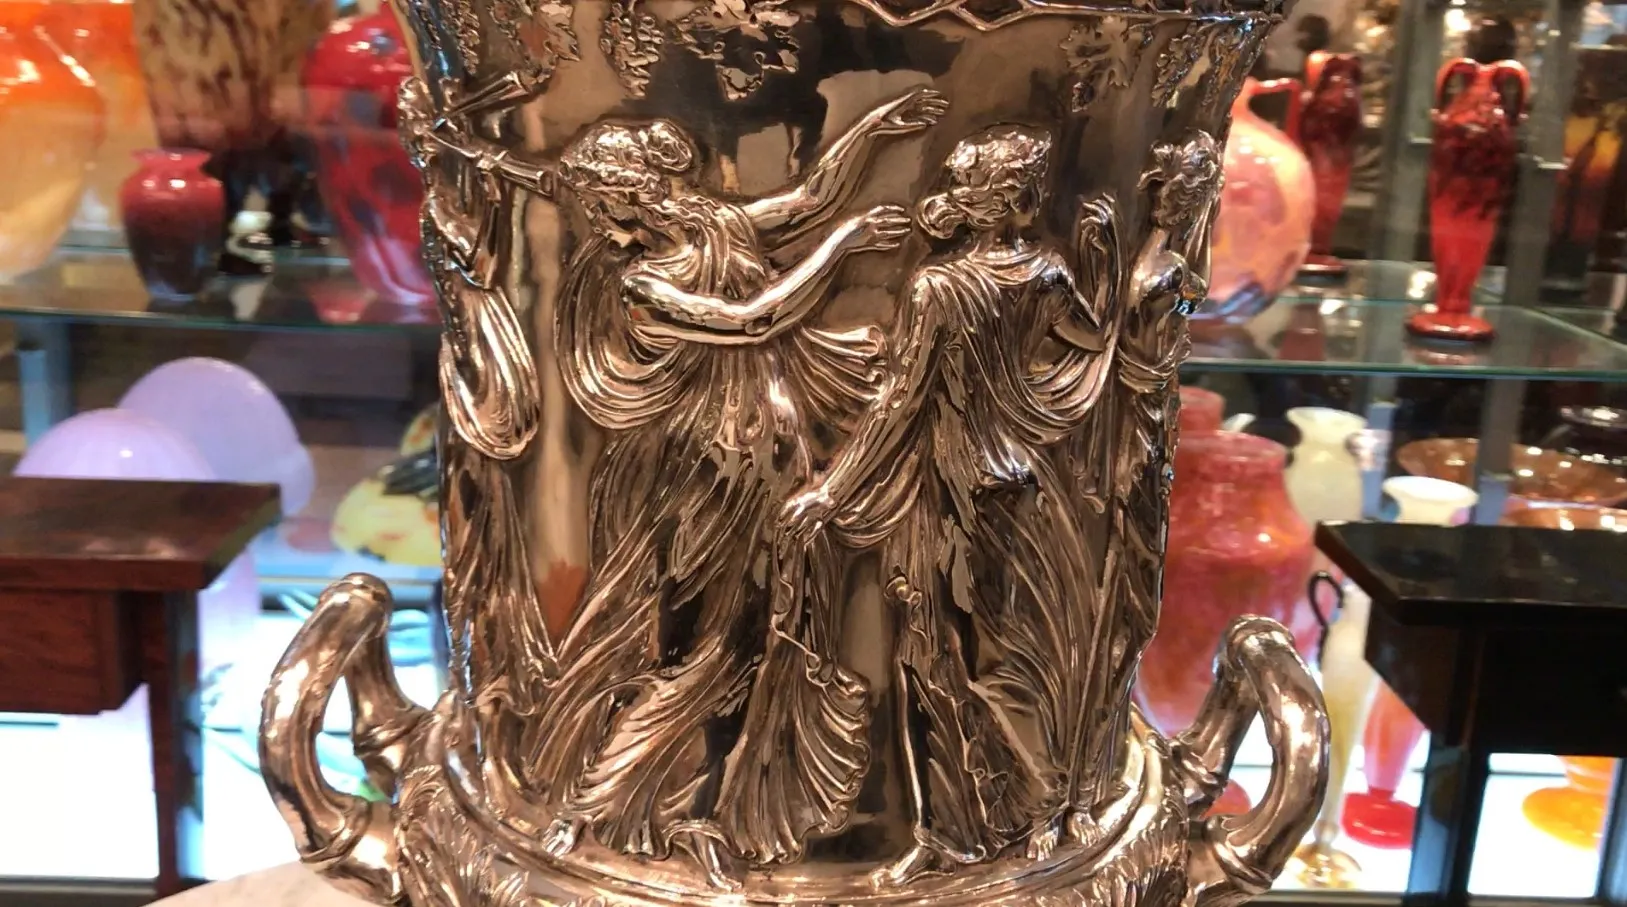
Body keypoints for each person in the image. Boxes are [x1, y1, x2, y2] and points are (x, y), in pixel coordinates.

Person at [525, 87, 948, 885]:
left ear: (642, 188)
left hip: (760, 456)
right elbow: (753, 320)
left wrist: (872, 129)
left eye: (609, 196)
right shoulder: (641, 281)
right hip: (705, 471)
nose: (604, 213)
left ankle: (696, 815)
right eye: (599, 200)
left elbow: (805, 201)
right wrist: (844, 247)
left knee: (750, 643)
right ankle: (594, 808)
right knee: (692, 649)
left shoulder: (707, 224)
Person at [781, 124, 1119, 887]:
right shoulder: (1047, 272)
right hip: (1021, 482)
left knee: (937, 658)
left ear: (981, 200)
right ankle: (1008, 820)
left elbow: (901, 403)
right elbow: (1092, 338)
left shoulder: (939, 287)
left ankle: (983, 821)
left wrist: (831, 489)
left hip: (950, 491)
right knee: (1001, 656)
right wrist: (1105, 259)